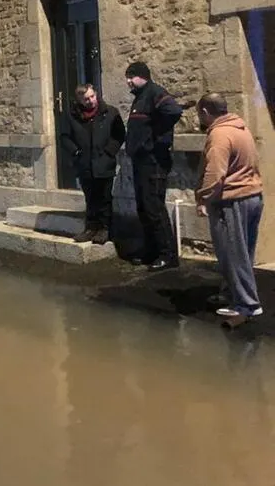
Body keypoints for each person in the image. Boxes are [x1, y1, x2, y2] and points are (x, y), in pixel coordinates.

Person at [195, 93, 264, 320]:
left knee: (232, 253)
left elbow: (215, 171)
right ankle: (233, 294)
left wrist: (203, 198)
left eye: (200, 114)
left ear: (205, 112)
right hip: (252, 196)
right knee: (243, 252)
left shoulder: (219, 134)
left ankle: (247, 304)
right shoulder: (240, 128)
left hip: (232, 200)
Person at [124, 61, 184, 270]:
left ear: (143, 76)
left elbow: (174, 111)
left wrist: (153, 139)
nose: (128, 81)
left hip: (154, 161)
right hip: (141, 161)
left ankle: (168, 255)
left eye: (131, 76)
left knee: (154, 208)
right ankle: (151, 250)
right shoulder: (140, 97)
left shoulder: (155, 93)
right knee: (143, 208)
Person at [59, 83, 125, 244]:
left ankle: (105, 229)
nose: (90, 101)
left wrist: (109, 152)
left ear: (96, 94)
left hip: (104, 162)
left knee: (104, 197)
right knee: (90, 198)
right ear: (79, 100)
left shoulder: (110, 112)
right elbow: (64, 137)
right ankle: (90, 228)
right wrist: (76, 152)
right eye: (86, 99)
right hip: (84, 163)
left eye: (92, 97)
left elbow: (119, 134)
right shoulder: (72, 115)